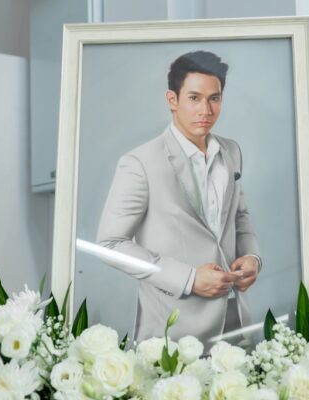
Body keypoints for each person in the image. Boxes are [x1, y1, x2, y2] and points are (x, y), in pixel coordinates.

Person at [97, 51, 261, 348]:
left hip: (236, 322)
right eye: (194, 98)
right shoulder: (140, 162)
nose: (206, 110)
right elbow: (110, 244)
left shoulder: (232, 151)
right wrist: (189, 279)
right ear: (172, 100)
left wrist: (252, 258)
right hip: (172, 332)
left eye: (214, 98)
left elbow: (239, 216)